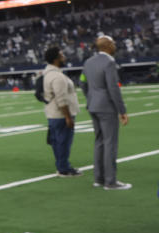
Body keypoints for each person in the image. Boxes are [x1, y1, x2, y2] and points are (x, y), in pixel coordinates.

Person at [81, 35, 131, 190]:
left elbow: (82, 83)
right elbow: (113, 88)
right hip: (106, 107)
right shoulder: (109, 62)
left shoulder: (88, 62)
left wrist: (91, 97)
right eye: (113, 43)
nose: (115, 45)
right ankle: (110, 181)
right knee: (110, 144)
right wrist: (122, 110)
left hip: (92, 105)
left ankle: (99, 179)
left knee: (99, 142)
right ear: (108, 45)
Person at [40, 46, 81, 177]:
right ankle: (64, 168)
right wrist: (68, 117)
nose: (64, 57)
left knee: (57, 142)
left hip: (52, 114)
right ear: (56, 59)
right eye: (62, 55)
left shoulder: (48, 74)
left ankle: (61, 166)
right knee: (63, 143)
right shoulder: (57, 76)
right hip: (60, 115)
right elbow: (61, 99)